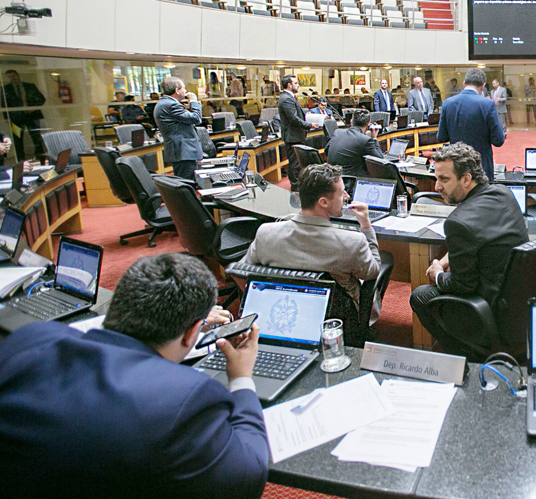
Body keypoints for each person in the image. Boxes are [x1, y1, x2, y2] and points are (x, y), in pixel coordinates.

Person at [0, 253, 269, 498]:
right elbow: (247, 479)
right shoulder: (184, 397)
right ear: (192, 333)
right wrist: (241, 379)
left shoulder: (31, 338)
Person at [408, 143, 528, 354]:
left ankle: (467, 354)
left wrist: (437, 274)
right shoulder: (502, 193)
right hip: (518, 304)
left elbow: (462, 285)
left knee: (420, 295)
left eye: (444, 179)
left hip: (488, 311)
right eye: (436, 178)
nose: (436, 187)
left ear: (466, 179)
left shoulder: (458, 222)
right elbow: (479, 238)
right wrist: (447, 258)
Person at [242, 164, 381, 341]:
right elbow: (373, 271)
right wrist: (367, 227)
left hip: (279, 318)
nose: (346, 197)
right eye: (341, 193)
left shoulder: (266, 233)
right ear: (323, 202)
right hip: (335, 319)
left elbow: (243, 272)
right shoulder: (352, 242)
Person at [437, 69, 505, 181]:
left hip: (456, 168)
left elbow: (441, 137)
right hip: (481, 169)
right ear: (483, 86)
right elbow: (498, 140)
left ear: (464, 83)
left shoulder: (447, 103)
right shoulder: (487, 104)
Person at [154, 76, 204, 180]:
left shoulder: (164, 103)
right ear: (177, 90)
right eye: (183, 88)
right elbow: (196, 118)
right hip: (183, 152)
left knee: (185, 182)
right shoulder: (171, 105)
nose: (186, 91)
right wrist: (194, 102)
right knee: (188, 183)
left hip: (180, 151)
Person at [327, 109, 384, 178]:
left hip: (332, 177)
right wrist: (374, 138)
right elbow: (380, 160)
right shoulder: (365, 140)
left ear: (351, 122)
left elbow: (326, 150)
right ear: (368, 125)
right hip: (352, 181)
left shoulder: (337, 132)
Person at [3, 69, 46, 160]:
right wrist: (6, 117)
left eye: (13, 76)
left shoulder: (30, 86)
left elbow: (41, 99)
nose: (12, 78)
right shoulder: (6, 89)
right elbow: (4, 104)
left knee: (36, 138)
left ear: (18, 75)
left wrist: (32, 108)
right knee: (17, 140)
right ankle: (21, 160)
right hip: (16, 118)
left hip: (31, 116)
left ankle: (41, 157)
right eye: (10, 77)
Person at [278, 74, 311, 191]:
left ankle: (298, 185)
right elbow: (293, 118)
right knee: (295, 163)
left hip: (296, 135)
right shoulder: (286, 98)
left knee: (298, 162)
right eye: (296, 83)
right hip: (293, 136)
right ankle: (295, 187)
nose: (298, 85)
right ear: (289, 85)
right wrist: (309, 125)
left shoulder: (289, 97)